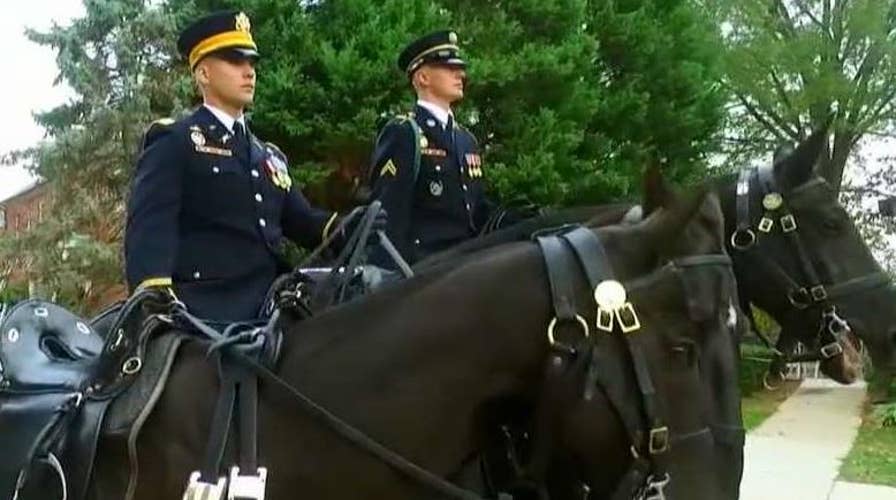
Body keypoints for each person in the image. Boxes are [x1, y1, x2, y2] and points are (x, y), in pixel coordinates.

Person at [124, 10, 379, 321]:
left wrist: (347, 226)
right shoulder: (175, 140)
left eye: (252, 63)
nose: (249, 72)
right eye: (235, 61)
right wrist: (155, 295)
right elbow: (151, 226)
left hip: (274, 299)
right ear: (203, 74)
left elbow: (301, 220)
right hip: (208, 306)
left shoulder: (267, 156)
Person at [367, 30, 504, 267]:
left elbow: (477, 210)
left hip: (469, 267)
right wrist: (389, 285)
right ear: (423, 78)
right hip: (424, 275)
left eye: (460, 68)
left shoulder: (466, 139)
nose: (460, 74)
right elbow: (389, 218)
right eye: (449, 68)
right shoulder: (405, 133)